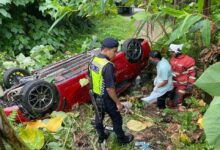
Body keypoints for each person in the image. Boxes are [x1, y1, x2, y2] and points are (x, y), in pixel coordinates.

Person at [88, 37, 134, 144]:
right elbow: (110, 88)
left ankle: (102, 136)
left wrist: (94, 92)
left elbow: (89, 78)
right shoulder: (107, 66)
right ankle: (122, 140)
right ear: (106, 50)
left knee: (99, 117)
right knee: (117, 119)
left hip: (95, 95)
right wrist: (118, 103)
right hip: (106, 98)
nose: (116, 54)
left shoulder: (93, 60)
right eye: (114, 51)